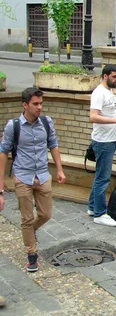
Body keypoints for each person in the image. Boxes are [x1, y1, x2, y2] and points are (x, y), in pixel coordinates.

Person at [0, 87, 66, 273]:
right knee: (26, 218)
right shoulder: (14, 126)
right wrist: (1, 180)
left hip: (43, 175)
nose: (39, 107)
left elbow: (53, 144)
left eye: (41, 103)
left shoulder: (46, 122)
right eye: (35, 104)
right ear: (25, 105)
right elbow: (3, 152)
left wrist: (59, 169)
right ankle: (32, 254)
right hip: (22, 176)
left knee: (45, 214)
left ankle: (30, 232)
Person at [88, 64, 116, 227]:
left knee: (100, 175)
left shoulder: (108, 92)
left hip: (109, 140)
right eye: (114, 76)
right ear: (105, 76)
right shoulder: (99, 93)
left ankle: (92, 207)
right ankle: (99, 214)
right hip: (103, 142)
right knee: (103, 178)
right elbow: (93, 117)